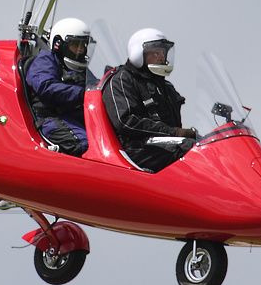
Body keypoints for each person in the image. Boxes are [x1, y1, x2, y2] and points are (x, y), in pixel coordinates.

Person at [103, 28, 196, 172]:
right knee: (189, 151)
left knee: (204, 147)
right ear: (139, 54)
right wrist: (172, 132)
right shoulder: (122, 80)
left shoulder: (165, 86)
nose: (161, 57)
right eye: (155, 53)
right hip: (135, 149)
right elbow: (126, 121)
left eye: (163, 53)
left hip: (163, 144)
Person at [23, 17, 92, 156]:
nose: (80, 50)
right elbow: (45, 85)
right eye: (75, 44)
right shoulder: (45, 61)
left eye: (83, 45)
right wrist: (81, 93)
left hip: (77, 119)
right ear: (59, 44)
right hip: (52, 119)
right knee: (85, 145)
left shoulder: (80, 68)